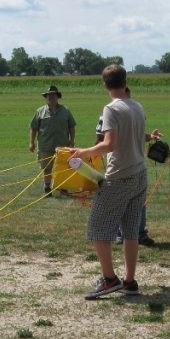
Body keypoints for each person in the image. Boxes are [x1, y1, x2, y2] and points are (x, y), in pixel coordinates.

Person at [70, 65, 147, 299]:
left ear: (105, 84)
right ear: (125, 81)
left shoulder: (111, 109)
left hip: (120, 177)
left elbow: (109, 144)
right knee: (131, 230)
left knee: (97, 229)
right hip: (140, 175)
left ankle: (109, 279)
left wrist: (84, 152)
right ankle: (130, 281)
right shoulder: (137, 106)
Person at [97, 87, 158, 246]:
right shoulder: (131, 108)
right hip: (134, 169)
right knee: (127, 208)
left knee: (102, 224)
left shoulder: (132, 109)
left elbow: (136, 135)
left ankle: (138, 233)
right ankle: (120, 234)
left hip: (124, 170)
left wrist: (150, 136)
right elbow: (102, 139)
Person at [28, 85, 76, 195]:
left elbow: (72, 126)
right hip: (45, 145)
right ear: (46, 97)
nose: (51, 97)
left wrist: (72, 140)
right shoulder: (40, 111)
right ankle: (47, 187)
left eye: (53, 95)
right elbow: (33, 127)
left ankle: (62, 187)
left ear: (57, 96)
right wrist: (31, 142)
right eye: (49, 95)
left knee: (63, 167)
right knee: (46, 168)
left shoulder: (65, 110)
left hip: (63, 145)